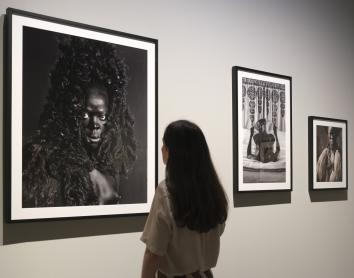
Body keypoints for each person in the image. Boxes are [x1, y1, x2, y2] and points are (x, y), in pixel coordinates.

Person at [22, 36, 136, 207]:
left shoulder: (110, 167)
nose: (94, 124)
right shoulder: (42, 162)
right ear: (69, 114)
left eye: (102, 116)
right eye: (85, 115)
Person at [140, 120, 228, 278]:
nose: (162, 149)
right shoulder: (213, 191)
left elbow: (153, 253)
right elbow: (218, 230)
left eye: (165, 145)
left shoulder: (166, 192)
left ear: (174, 152)